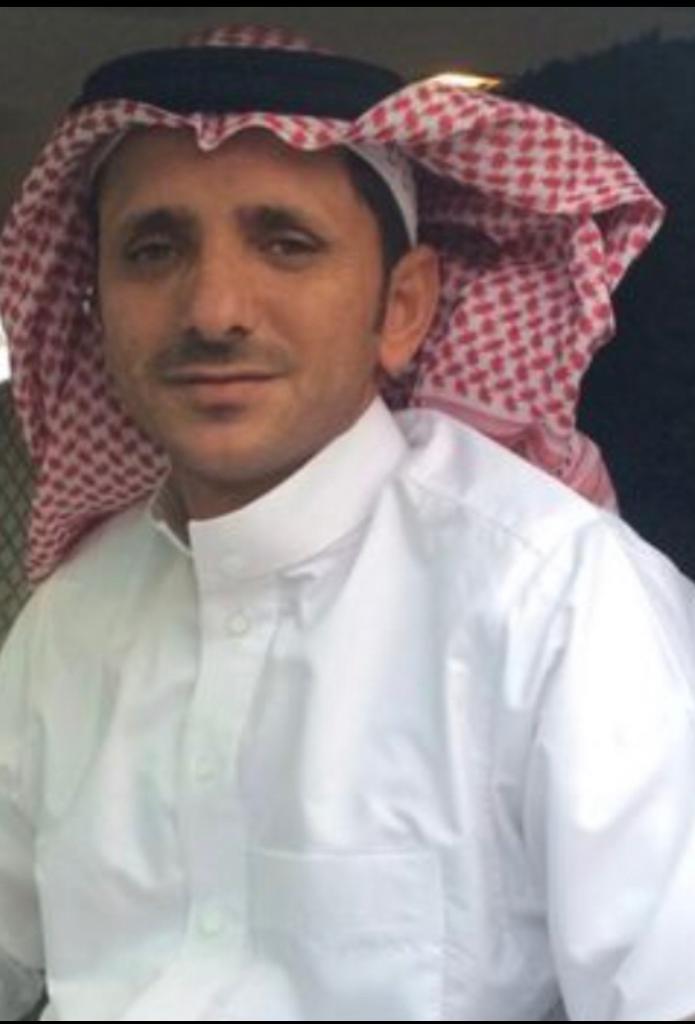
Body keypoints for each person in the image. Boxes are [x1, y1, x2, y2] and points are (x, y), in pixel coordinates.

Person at [1, 24, 695, 1023]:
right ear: (98, 311)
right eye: (154, 249)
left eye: (286, 243)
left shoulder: (554, 599)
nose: (214, 309)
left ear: (402, 306)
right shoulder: (67, 625)